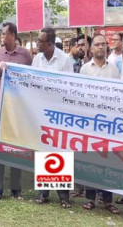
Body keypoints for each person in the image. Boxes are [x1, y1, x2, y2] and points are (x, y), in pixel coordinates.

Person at [78, 34, 121, 214]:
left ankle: (107, 199)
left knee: (108, 161)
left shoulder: (114, 70)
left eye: (104, 44)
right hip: (90, 121)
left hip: (109, 122)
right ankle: (90, 198)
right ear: (92, 48)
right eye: (97, 44)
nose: (101, 47)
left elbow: (119, 95)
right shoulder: (85, 69)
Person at [33, 27, 74, 208]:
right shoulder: (37, 59)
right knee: (43, 150)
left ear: (49, 44)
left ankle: (63, 195)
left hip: (58, 113)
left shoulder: (64, 60)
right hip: (42, 111)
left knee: (60, 152)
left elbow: (69, 86)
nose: (37, 44)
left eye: (40, 41)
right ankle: (43, 192)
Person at [0, 22, 32, 201]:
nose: (2, 36)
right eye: (1, 33)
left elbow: (29, 79)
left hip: (18, 110)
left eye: (5, 33)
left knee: (16, 150)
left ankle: (16, 189)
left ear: (13, 36)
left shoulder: (25, 55)